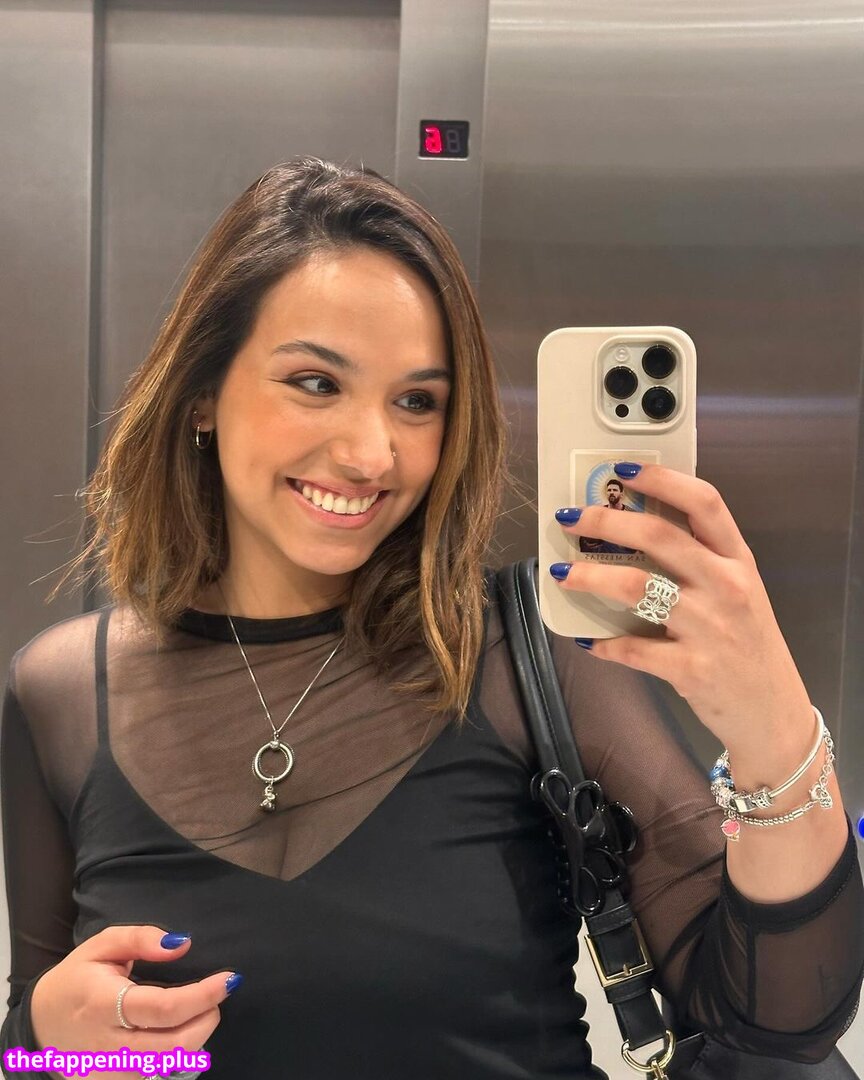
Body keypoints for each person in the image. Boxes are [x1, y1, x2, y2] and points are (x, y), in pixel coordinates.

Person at [2, 157, 862, 1080]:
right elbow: (33, 1032)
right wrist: (45, 1036)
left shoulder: (527, 659)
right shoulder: (60, 696)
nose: (373, 454)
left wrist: (774, 723)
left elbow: (777, 1024)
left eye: (418, 401)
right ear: (202, 393)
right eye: (316, 383)